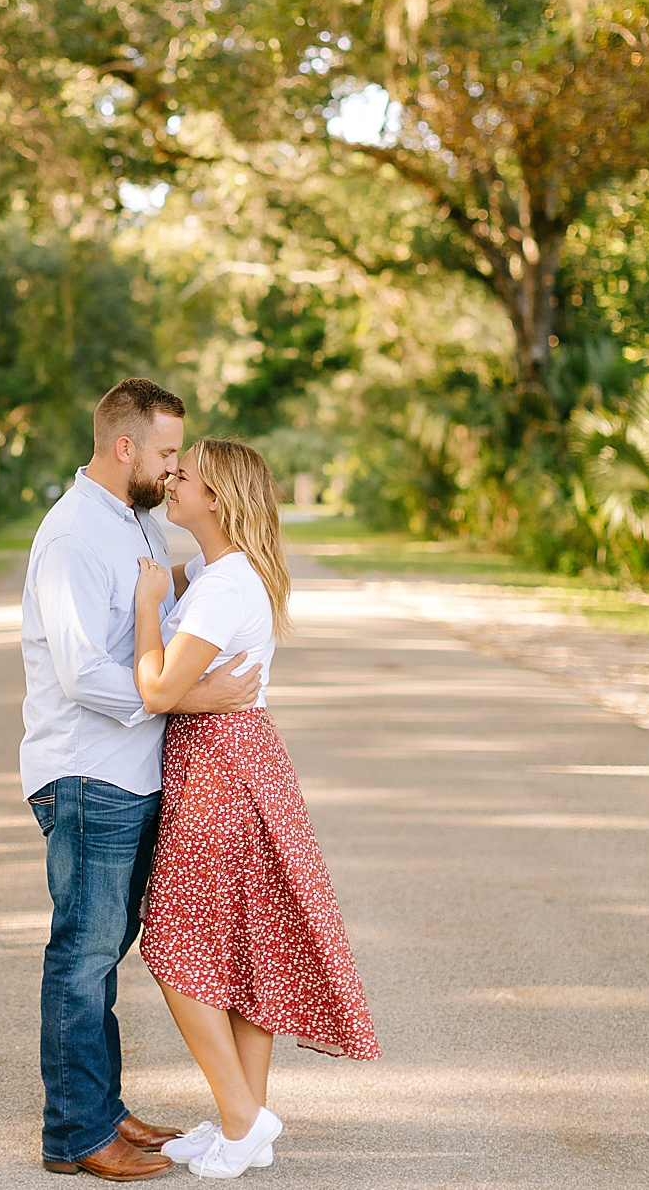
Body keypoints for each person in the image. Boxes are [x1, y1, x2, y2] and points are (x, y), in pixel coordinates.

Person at [19, 378, 265, 1181]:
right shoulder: (71, 539)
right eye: (166, 453)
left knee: (106, 948)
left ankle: (105, 1108)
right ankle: (75, 1136)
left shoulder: (138, 522)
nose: (172, 467)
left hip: (133, 770)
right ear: (124, 447)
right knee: (83, 954)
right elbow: (86, 672)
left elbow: (158, 618)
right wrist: (196, 695)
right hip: (88, 774)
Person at [132, 437, 377, 1180]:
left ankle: (241, 1115)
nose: (172, 480)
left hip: (220, 770)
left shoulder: (224, 587)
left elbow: (157, 692)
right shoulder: (222, 571)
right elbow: (194, 578)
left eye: (186, 475)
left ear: (220, 498)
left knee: (172, 943)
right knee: (244, 946)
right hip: (241, 761)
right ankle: (247, 1130)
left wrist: (148, 608)